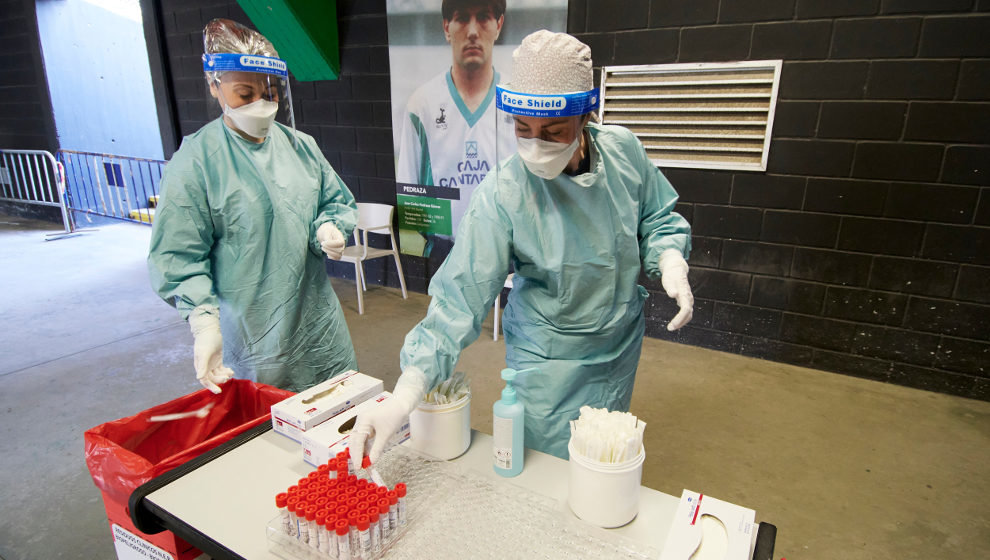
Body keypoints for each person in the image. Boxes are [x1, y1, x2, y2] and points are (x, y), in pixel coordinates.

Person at [351, 30, 694, 462]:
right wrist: (404, 395)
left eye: (553, 131)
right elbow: (460, 297)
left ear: (586, 118)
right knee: (546, 470)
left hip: (618, 343)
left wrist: (669, 257)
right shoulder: (505, 192)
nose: (535, 145)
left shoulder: (623, 151)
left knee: (601, 460)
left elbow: (656, 215)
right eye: (522, 128)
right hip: (547, 357)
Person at [148, 19, 359, 394]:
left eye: (271, 92)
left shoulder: (301, 147)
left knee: (333, 421)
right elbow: (178, 256)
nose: (261, 104)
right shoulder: (196, 163)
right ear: (214, 86)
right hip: (252, 340)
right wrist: (203, 322)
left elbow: (334, 201)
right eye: (245, 94)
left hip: (317, 332)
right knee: (265, 436)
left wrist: (329, 227)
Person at [394, 0, 516, 258]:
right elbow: (409, 186)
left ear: (499, 25)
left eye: (483, 17)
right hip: (446, 249)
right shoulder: (422, 104)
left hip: (506, 250)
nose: (472, 31)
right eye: (462, 18)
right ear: (447, 27)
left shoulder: (518, 100)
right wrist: (425, 242)